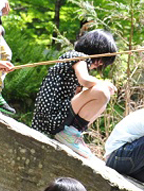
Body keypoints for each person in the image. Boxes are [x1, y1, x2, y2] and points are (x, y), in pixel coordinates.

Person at [30, 29, 118, 157]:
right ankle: (70, 134)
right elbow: (85, 80)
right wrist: (103, 83)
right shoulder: (78, 57)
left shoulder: (75, 62)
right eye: (101, 59)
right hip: (52, 119)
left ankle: (73, 133)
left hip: (51, 120)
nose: (100, 64)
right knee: (102, 92)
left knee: (103, 98)